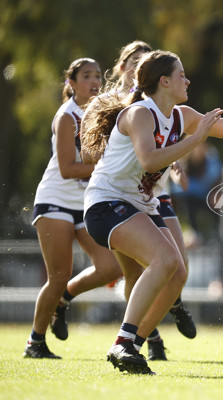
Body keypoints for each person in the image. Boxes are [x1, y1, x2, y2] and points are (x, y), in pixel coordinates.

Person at [82, 49, 223, 374]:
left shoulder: (178, 115)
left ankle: (132, 344)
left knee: (177, 272)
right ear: (164, 81)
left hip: (133, 205)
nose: (187, 79)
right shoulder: (140, 114)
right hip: (105, 205)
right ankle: (124, 343)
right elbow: (150, 161)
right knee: (167, 260)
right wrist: (196, 138)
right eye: (181, 74)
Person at [51, 41, 197, 362]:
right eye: (134, 61)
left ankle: (135, 339)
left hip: (145, 196)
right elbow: (92, 157)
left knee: (171, 269)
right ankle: (56, 324)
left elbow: (216, 128)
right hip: (107, 197)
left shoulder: (166, 109)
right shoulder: (126, 107)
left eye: (144, 60)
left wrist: (169, 157)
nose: (139, 65)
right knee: (159, 264)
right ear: (123, 68)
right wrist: (153, 150)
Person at [23, 58, 110, 359]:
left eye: (98, 75)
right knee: (58, 275)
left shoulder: (103, 112)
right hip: (55, 200)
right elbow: (66, 168)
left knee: (110, 266)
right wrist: (105, 163)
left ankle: (63, 301)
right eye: (87, 76)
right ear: (71, 83)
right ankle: (35, 342)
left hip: (84, 204)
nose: (94, 81)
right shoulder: (67, 116)